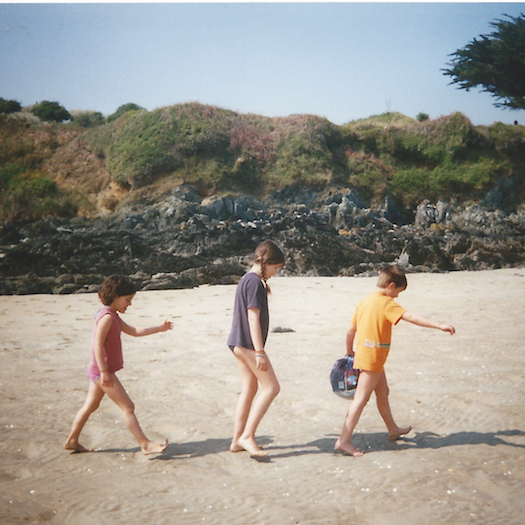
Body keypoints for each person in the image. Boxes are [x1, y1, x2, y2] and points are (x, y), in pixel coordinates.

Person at [335, 264, 455, 457]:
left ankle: (392, 429)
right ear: (391, 285)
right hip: (372, 358)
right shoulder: (386, 302)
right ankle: (343, 440)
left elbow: (350, 330)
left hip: (366, 355)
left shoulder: (365, 300)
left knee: (383, 392)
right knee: (360, 400)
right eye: (398, 291)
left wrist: (349, 352)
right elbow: (411, 317)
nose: (398, 296)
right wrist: (438, 325)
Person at [64, 275, 173, 455]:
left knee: (90, 406)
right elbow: (96, 345)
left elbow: (135, 331)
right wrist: (105, 372)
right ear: (115, 296)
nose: (129, 304)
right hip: (102, 372)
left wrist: (159, 328)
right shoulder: (107, 317)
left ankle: (72, 440)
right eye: (128, 300)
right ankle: (145, 444)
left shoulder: (112, 314)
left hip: (98, 371)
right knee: (128, 407)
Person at [227, 240, 285, 457]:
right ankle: (247, 436)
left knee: (249, 390)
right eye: (276, 268)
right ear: (266, 262)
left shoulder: (246, 279)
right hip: (248, 345)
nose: (275, 273)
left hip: (238, 343)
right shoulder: (254, 283)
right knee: (271, 388)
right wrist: (260, 352)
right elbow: (253, 318)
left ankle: (236, 441)